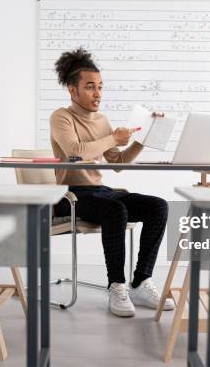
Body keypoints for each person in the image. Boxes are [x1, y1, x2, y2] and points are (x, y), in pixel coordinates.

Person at [50, 48, 175, 317]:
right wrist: (112, 139)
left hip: (100, 192)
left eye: (100, 87)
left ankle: (140, 281)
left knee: (158, 206)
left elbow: (116, 162)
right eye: (90, 87)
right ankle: (116, 285)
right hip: (69, 196)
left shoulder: (102, 120)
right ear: (73, 90)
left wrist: (142, 140)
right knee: (116, 211)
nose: (98, 94)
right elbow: (76, 151)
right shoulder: (61, 117)